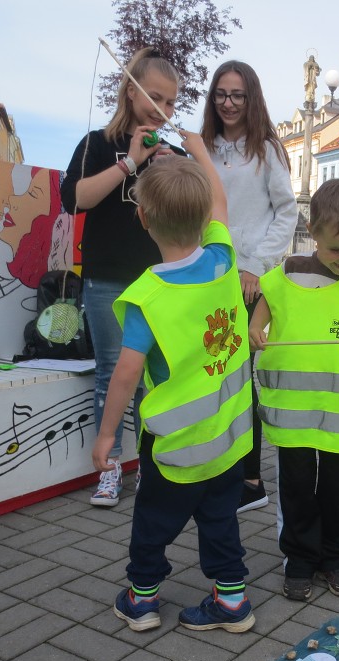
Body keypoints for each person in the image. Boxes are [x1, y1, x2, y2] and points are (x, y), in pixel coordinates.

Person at [92, 140, 256, 635]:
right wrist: (200, 150)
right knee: (221, 520)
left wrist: (106, 438)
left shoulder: (148, 297)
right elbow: (221, 199)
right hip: (228, 439)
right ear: (205, 216)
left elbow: (124, 376)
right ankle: (231, 602)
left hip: (175, 445)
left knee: (153, 524)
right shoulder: (224, 259)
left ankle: (141, 599)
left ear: (142, 219)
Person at [248, 179, 339, 602]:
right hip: (292, 413)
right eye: (336, 250)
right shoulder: (286, 273)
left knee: (338, 490)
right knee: (295, 489)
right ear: (313, 231)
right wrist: (255, 328)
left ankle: (336, 559)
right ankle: (300, 561)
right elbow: (264, 307)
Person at [62, 48, 182, 507]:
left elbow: (190, 214)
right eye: (155, 97)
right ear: (131, 92)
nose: (163, 110)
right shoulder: (96, 142)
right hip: (108, 276)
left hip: (160, 282)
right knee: (112, 375)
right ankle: (109, 470)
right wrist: (129, 163)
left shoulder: (170, 153)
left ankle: (154, 467)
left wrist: (175, 171)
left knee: (157, 376)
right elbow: (74, 200)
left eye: (171, 103)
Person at [201, 60, 298, 516]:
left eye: (238, 94)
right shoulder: (203, 147)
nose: (229, 103)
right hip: (207, 276)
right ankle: (219, 466)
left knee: (240, 381)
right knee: (213, 375)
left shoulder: (267, 150)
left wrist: (256, 266)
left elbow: (287, 212)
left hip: (246, 281)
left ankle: (252, 480)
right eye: (221, 93)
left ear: (252, 97)